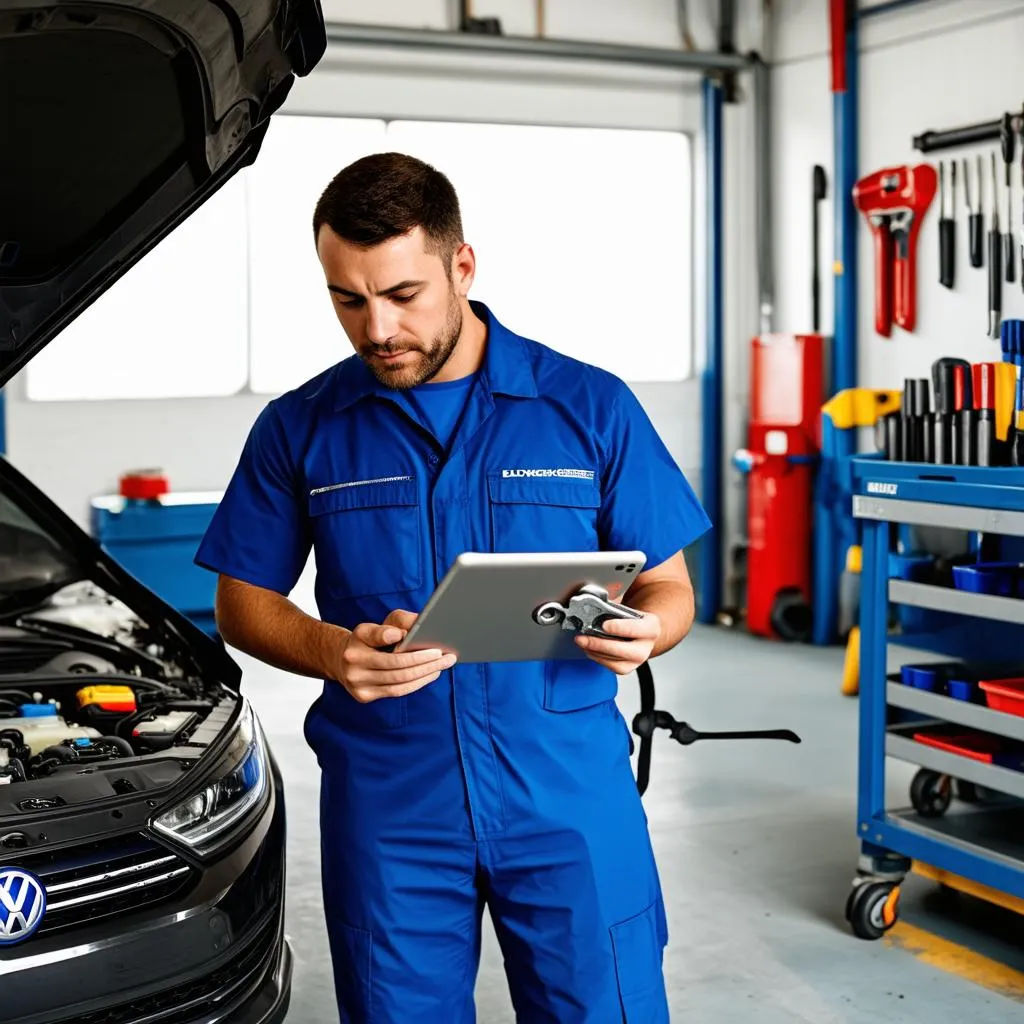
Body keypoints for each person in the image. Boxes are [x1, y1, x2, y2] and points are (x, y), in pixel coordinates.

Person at [194, 151, 711, 1023]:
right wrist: (333, 650)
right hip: (392, 808)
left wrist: (648, 632)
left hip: (569, 799)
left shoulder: (588, 406)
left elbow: (670, 589)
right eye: (347, 299)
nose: (376, 328)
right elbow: (241, 601)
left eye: (402, 295)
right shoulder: (301, 427)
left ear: (461, 265)